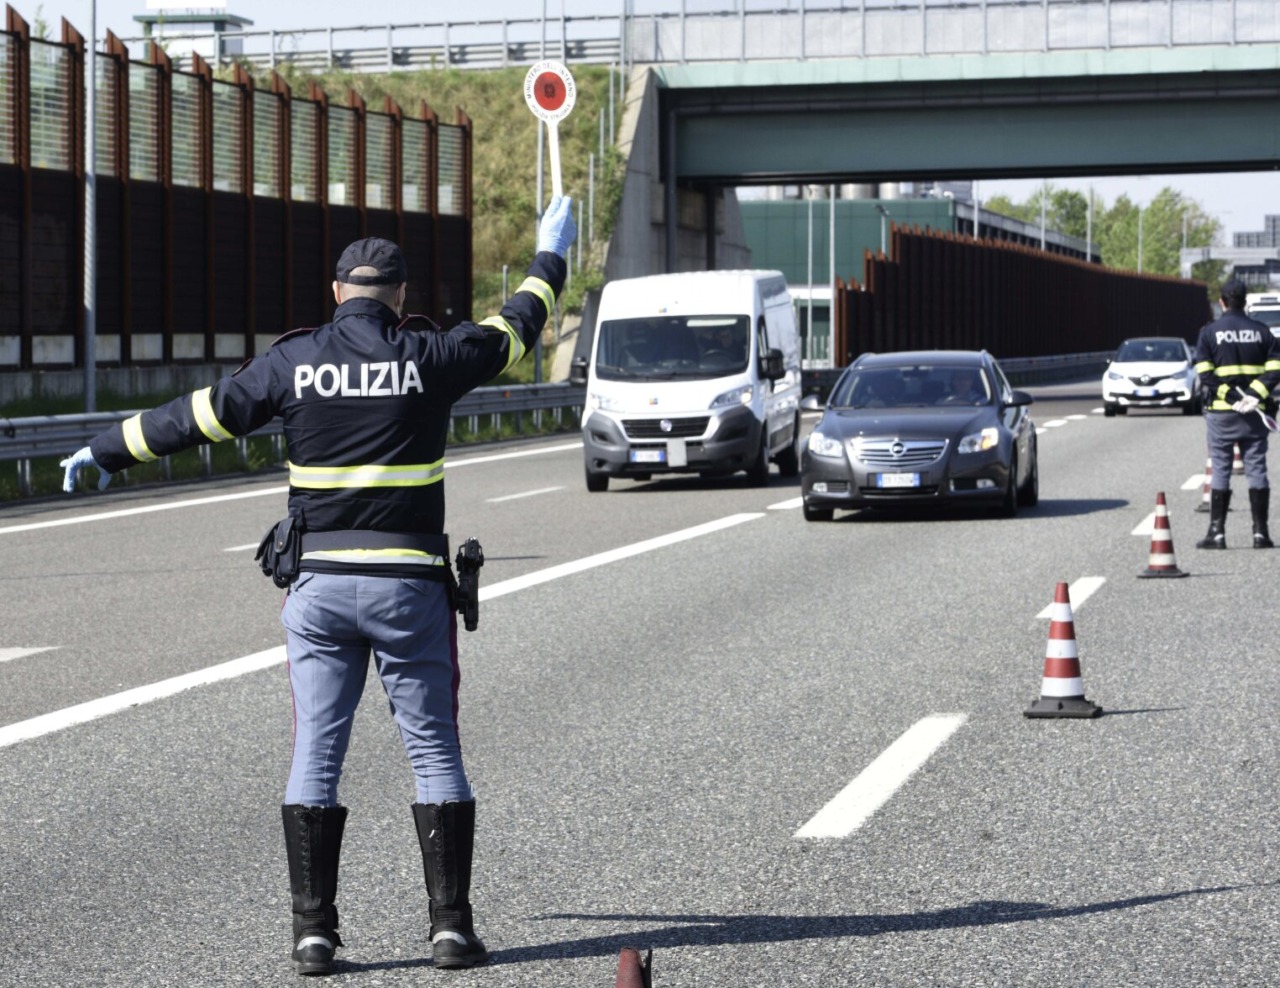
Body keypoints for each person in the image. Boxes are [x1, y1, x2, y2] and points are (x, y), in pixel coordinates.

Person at [60, 197, 577, 974]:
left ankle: (314, 935)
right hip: (409, 590)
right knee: (434, 752)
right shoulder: (430, 355)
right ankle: (449, 930)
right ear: (399, 297)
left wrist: (107, 448)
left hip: (321, 591)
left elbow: (200, 415)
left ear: (337, 292)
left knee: (317, 754)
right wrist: (550, 259)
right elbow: (515, 331)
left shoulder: (293, 362)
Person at [1192, 278, 1280, 549]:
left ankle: (1216, 534)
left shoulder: (1209, 333)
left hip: (1221, 414)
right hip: (1255, 415)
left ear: (1221, 302)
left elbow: (1205, 374)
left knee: (1220, 468)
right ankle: (1260, 534)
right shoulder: (1263, 331)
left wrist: (1232, 397)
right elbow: (1275, 369)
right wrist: (1253, 396)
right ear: (1245, 300)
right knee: (1256, 468)